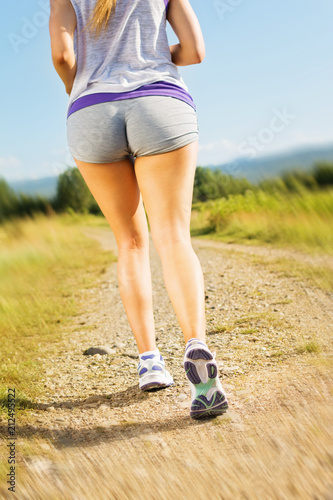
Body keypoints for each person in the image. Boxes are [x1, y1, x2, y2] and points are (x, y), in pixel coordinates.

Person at [49, 0, 228, 419]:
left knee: (130, 243)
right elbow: (196, 50)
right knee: (172, 236)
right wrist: (154, 58)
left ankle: (149, 361)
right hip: (160, 102)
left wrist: (82, 85)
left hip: (92, 110)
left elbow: (62, 55)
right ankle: (198, 357)